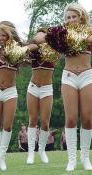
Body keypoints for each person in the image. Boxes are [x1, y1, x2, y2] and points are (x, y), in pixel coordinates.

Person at [0, 21, 37, 171]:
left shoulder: (17, 51)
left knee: (8, 125)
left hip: (10, 92)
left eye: (4, 35)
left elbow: (35, 45)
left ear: (9, 36)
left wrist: (22, 48)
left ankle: (2, 158)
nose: (1, 38)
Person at [61, 3, 92, 171]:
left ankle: (85, 157)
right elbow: (41, 39)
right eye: (68, 17)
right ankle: (71, 159)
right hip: (69, 76)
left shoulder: (89, 31)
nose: (71, 20)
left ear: (81, 18)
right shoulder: (61, 34)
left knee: (87, 118)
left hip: (87, 75)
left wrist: (80, 36)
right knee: (71, 118)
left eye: (74, 16)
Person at [26, 28, 57, 164]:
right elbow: (28, 47)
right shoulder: (33, 49)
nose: (40, 37)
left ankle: (42, 150)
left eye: (43, 35)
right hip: (33, 88)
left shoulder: (54, 48)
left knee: (45, 122)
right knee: (32, 120)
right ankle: (31, 153)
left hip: (46, 89)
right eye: (39, 35)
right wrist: (36, 40)